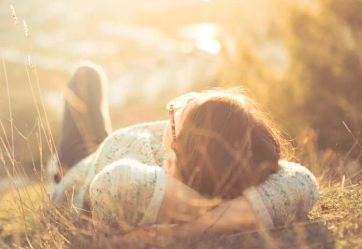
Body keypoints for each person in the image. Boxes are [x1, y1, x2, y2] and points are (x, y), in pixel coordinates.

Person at [48, 62, 319, 241]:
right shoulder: (226, 166)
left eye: (179, 115)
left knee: (85, 75)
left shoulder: (138, 186)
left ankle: (54, 173)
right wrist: (203, 221)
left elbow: (113, 181)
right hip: (102, 150)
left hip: (78, 166)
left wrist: (176, 234)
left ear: (174, 158)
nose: (172, 113)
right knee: (88, 75)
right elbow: (302, 181)